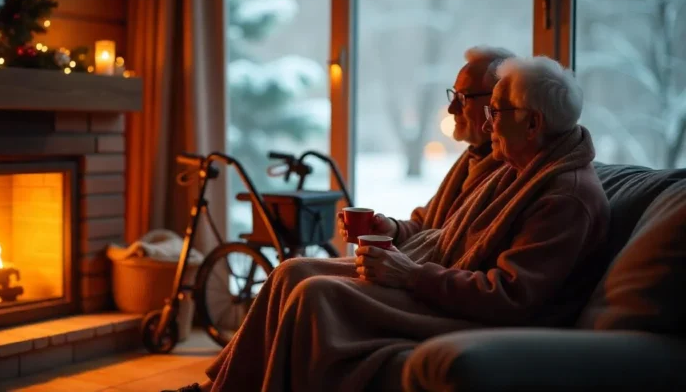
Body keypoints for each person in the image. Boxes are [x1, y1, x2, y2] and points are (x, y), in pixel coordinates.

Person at [170, 55, 610, 392]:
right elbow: (442, 227)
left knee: (315, 294)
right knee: (290, 270)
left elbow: (511, 297)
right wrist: (399, 242)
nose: (488, 123)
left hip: (477, 316)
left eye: (497, 112)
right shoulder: (522, 165)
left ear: (533, 123)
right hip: (443, 281)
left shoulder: (564, 196)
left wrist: (412, 274)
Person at [351, 46, 513, 244]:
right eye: (453, 95)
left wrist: (408, 272)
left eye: (463, 98)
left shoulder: (512, 172)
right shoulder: (471, 159)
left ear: (496, 102)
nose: (452, 109)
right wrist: (392, 229)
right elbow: (428, 225)